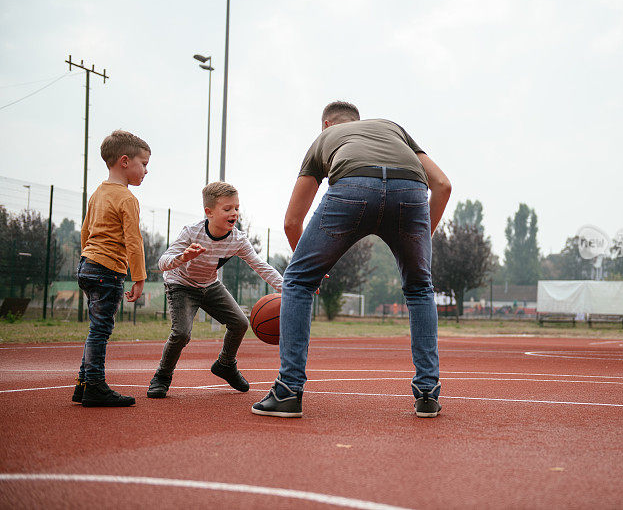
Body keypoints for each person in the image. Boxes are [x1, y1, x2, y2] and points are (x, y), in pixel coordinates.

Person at [251, 101, 451, 418]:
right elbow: (442, 185)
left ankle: (288, 391)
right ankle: (427, 395)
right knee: (419, 288)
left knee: (297, 282)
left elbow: (292, 221)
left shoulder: (325, 139)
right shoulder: (392, 127)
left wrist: (308, 271)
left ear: (328, 125)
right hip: (411, 191)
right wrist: (421, 239)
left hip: (354, 186)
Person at [146, 181, 283, 398]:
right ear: (208, 212)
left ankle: (225, 364)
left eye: (236, 208)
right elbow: (163, 262)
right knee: (181, 333)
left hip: (209, 285)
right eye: (227, 209)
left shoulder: (237, 239)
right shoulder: (192, 233)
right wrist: (183, 257)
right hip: (180, 285)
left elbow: (261, 266)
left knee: (240, 323)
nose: (234, 213)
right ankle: (162, 376)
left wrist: (287, 289)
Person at [72, 130, 151, 407]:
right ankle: (94, 385)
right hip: (107, 271)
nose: (146, 171)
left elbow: (85, 230)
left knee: (96, 327)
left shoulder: (97, 193)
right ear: (125, 161)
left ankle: (83, 385)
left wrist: (87, 258)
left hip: (87, 265)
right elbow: (133, 240)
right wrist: (139, 277)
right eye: (144, 164)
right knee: (101, 329)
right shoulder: (127, 199)